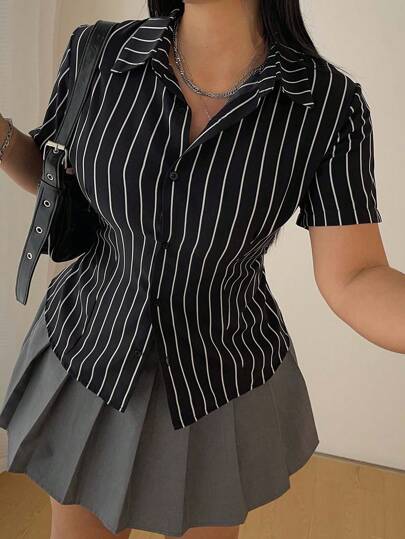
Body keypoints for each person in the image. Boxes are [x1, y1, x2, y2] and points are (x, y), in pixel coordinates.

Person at [0, 0, 402, 538]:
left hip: (218, 378)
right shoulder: (98, 52)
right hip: (90, 349)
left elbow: (355, 274)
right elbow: (60, 183)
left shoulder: (327, 105)